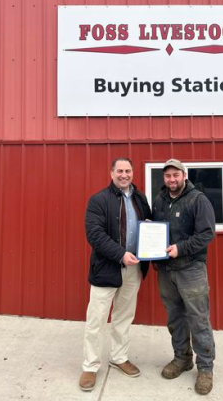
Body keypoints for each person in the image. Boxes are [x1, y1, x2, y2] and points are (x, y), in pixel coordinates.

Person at [79, 158, 151, 392]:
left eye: (128, 171)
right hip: (106, 267)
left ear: (133, 173)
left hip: (133, 268)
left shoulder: (140, 198)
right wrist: (121, 254)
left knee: (124, 316)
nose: (124, 174)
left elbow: (148, 226)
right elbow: (95, 235)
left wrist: (151, 236)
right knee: (97, 319)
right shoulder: (98, 200)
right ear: (111, 173)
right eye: (119, 171)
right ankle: (90, 366)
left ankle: (119, 357)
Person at [153, 159, 216, 396]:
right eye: (168, 176)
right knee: (175, 318)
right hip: (166, 270)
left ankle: (206, 368)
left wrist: (181, 248)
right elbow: (155, 229)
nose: (172, 180)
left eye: (175, 175)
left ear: (184, 175)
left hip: (191, 269)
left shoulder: (197, 199)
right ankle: (182, 358)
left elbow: (206, 234)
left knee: (198, 319)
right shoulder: (160, 200)